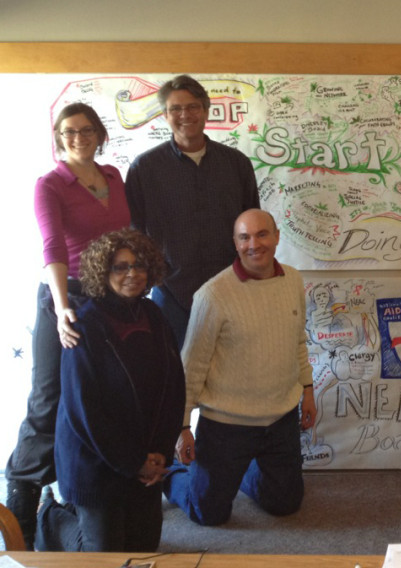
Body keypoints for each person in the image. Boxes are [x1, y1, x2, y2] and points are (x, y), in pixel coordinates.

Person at [6, 102, 131, 549]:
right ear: (58, 138)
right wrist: (61, 308)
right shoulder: (50, 185)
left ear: (99, 134)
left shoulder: (114, 178)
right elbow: (53, 247)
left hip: (110, 300)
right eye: (67, 132)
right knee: (47, 401)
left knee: (98, 398)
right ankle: (18, 509)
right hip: (66, 299)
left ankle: (86, 496)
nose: (77, 137)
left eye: (85, 130)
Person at [163, 209, 316, 526]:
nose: (254, 244)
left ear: (276, 237)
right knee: (208, 514)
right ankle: (174, 475)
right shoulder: (213, 295)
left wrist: (308, 390)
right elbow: (191, 367)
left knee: (285, 504)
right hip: (226, 424)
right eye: (244, 237)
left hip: (280, 419)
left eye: (262, 234)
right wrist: (181, 428)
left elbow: (297, 341)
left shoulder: (293, 281)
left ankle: (242, 469)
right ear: (235, 243)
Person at [35, 228, 184, 552]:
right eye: (121, 266)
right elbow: (84, 412)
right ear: (103, 272)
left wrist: (159, 451)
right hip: (94, 462)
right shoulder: (83, 325)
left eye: (139, 265)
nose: (132, 274)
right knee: (103, 555)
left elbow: (174, 388)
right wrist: (133, 462)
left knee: (144, 548)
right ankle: (51, 517)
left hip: (144, 454)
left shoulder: (155, 316)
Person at [125, 74, 260, 349]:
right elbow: (134, 233)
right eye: (175, 108)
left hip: (231, 288)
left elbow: (253, 229)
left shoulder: (236, 164)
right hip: (170, 295)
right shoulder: (144, 169)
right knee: (176, 377)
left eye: (192, 107)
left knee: (229, 374)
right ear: (165, 115)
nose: (184, 114)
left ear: (206, 110)